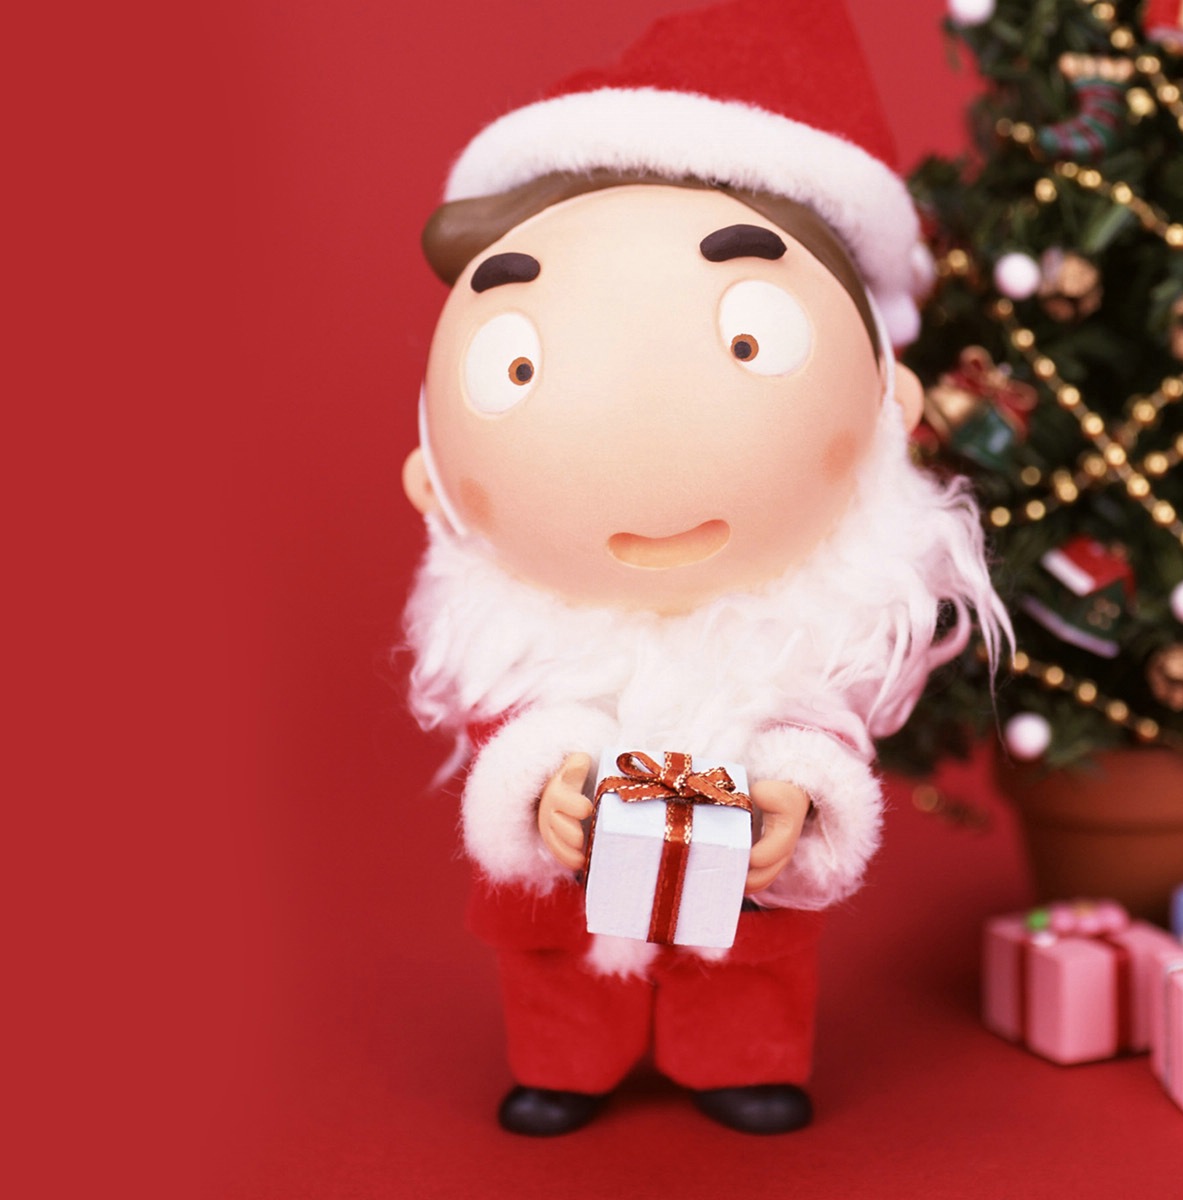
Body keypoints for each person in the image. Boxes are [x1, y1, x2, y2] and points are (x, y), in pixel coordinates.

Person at [401, 0, 1008, 1135]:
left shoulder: (815, 611)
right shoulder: (510, 614)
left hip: (740, 880)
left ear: (892, 407)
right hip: (564, 888)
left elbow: (822, 715)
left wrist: (797, 792)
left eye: (752, 341)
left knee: (749, 950)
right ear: (429, 469)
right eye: (515, 363)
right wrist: (538, 786)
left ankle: (740, 1056)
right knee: (552, 950)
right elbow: (504, 714)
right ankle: (565, 1061)